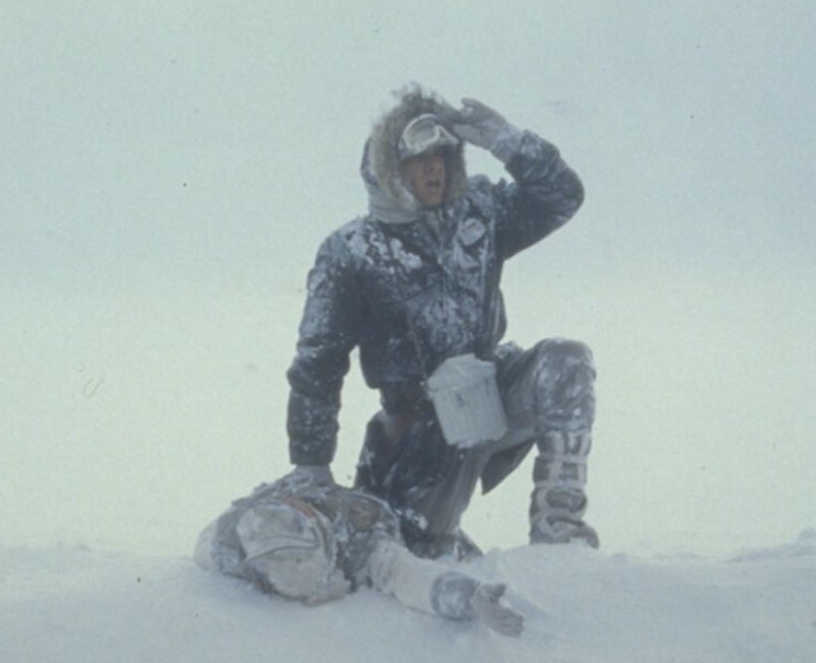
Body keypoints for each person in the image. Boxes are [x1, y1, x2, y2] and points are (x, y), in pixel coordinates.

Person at [284, 85, 599, 560]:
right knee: (422, 555)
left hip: (491, 396)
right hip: (418, 434)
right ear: (391, 168)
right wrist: (311, 464)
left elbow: (562, 197)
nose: (435, 167)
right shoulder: (349, 253)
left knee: (566, 361)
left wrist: (507, 142)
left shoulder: (481, 215)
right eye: (419, 158)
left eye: (444, 155)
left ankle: (560, 531)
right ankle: (437, 542)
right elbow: (318, 366)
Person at [194, 470, 525, 636]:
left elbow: (406, 574)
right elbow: (408, 576)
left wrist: (469, 597)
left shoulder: (360, 537)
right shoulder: (232, 544)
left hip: (397, 509)